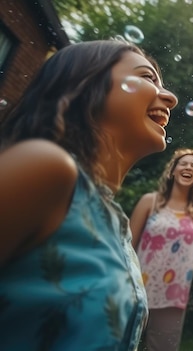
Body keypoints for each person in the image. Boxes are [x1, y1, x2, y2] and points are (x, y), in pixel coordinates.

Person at [0, 39, 178, 350]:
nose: (171, 97)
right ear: (87, 84)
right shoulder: (46, 167)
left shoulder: (110, 220)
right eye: (147, 77)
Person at [129, 148, 193, 351]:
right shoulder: (150, 202)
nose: (188, 167)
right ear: (172, 170)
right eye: (183, 163)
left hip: (172, 296)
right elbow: (126, 247)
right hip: (135, 289)